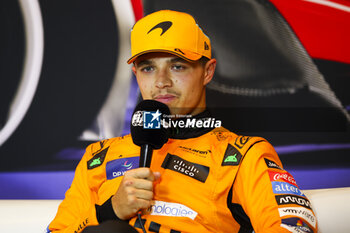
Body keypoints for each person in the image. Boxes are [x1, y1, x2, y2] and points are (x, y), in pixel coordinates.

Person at [47, 10, 318, 233]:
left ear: (208, 71)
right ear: (136, 74)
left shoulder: (243, 155)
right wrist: (110, 210)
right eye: (148, 68)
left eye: (178, 66)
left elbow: (294, 227)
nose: (162, 81)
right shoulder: (99, 156)